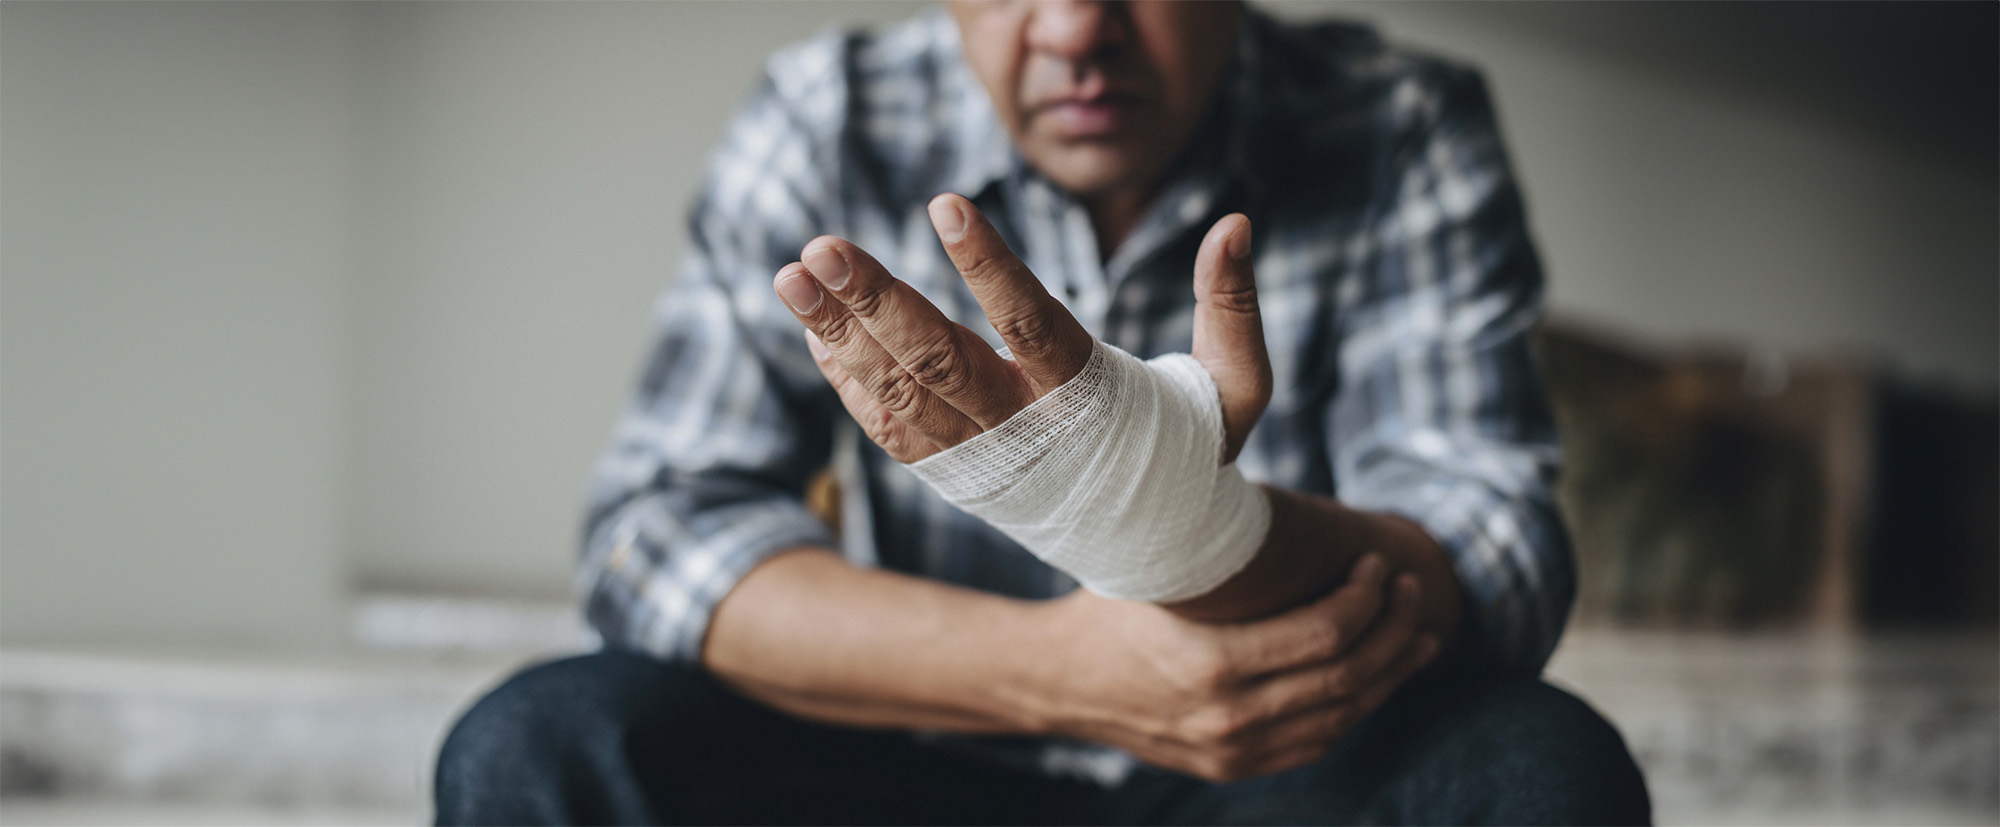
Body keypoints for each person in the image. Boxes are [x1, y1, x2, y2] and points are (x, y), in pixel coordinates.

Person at [435, 2, 1650, 824]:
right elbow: (653, 530)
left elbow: (1493, 554)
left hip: (1280, 763)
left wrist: (1186, 538)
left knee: (1535, 767)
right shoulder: (827, 112)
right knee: (536, 745)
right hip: (922, 757)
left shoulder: (1398, 121)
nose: (1076, 28)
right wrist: (1057, 669)